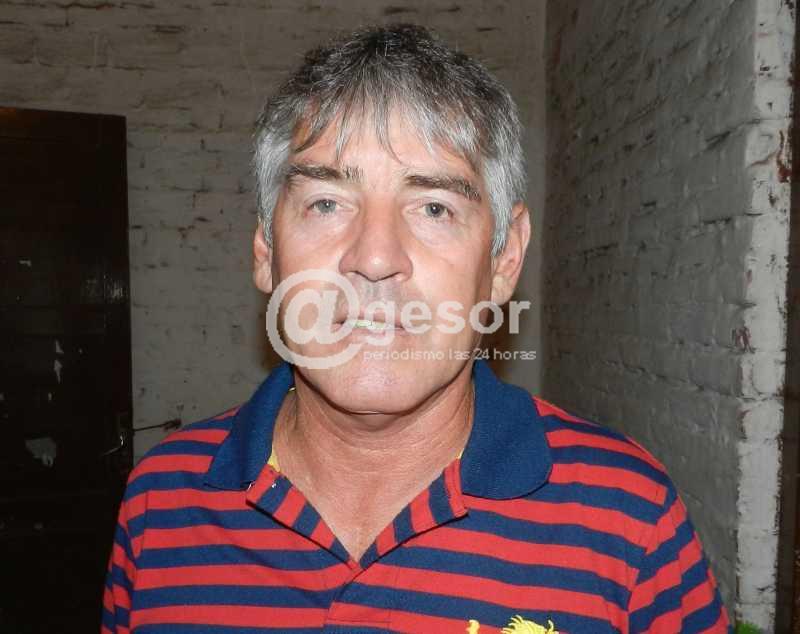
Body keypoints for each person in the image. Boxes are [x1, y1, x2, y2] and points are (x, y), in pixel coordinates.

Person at [102, 23, 730, 634]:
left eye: (434, 207)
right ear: (267, 250)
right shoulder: (161, 503)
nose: (375, 258)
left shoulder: (629, 517)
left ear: (504, 260)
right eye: (326, 203)